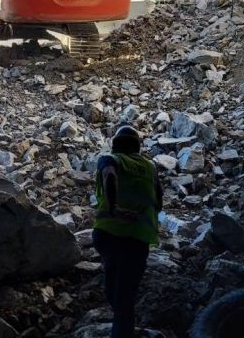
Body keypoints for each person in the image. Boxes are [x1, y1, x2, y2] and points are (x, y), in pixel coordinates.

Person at [93, 126, 163, 338]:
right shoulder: (150, 168)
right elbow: (158, 201)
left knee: (115, 292)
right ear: (137, 147)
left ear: (115, 145)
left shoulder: (110, 159)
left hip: (108, 234)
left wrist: (114, 208)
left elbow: (109, 177)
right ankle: (123, 327)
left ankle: (121, 328)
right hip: (137, 239)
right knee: (124, 296)